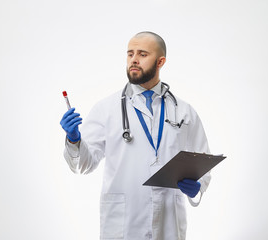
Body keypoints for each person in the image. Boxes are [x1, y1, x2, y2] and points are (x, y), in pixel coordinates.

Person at [60, 31, 211, 240]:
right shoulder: (107, 109)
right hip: (124, 225)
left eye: (142, 54)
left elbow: (203, 161)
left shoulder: (184, 112)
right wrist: (74, 140)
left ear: (160, 61)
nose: (134, 60)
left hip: (169, 223)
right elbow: (83, 164)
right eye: (130, 54)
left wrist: (198, 187)